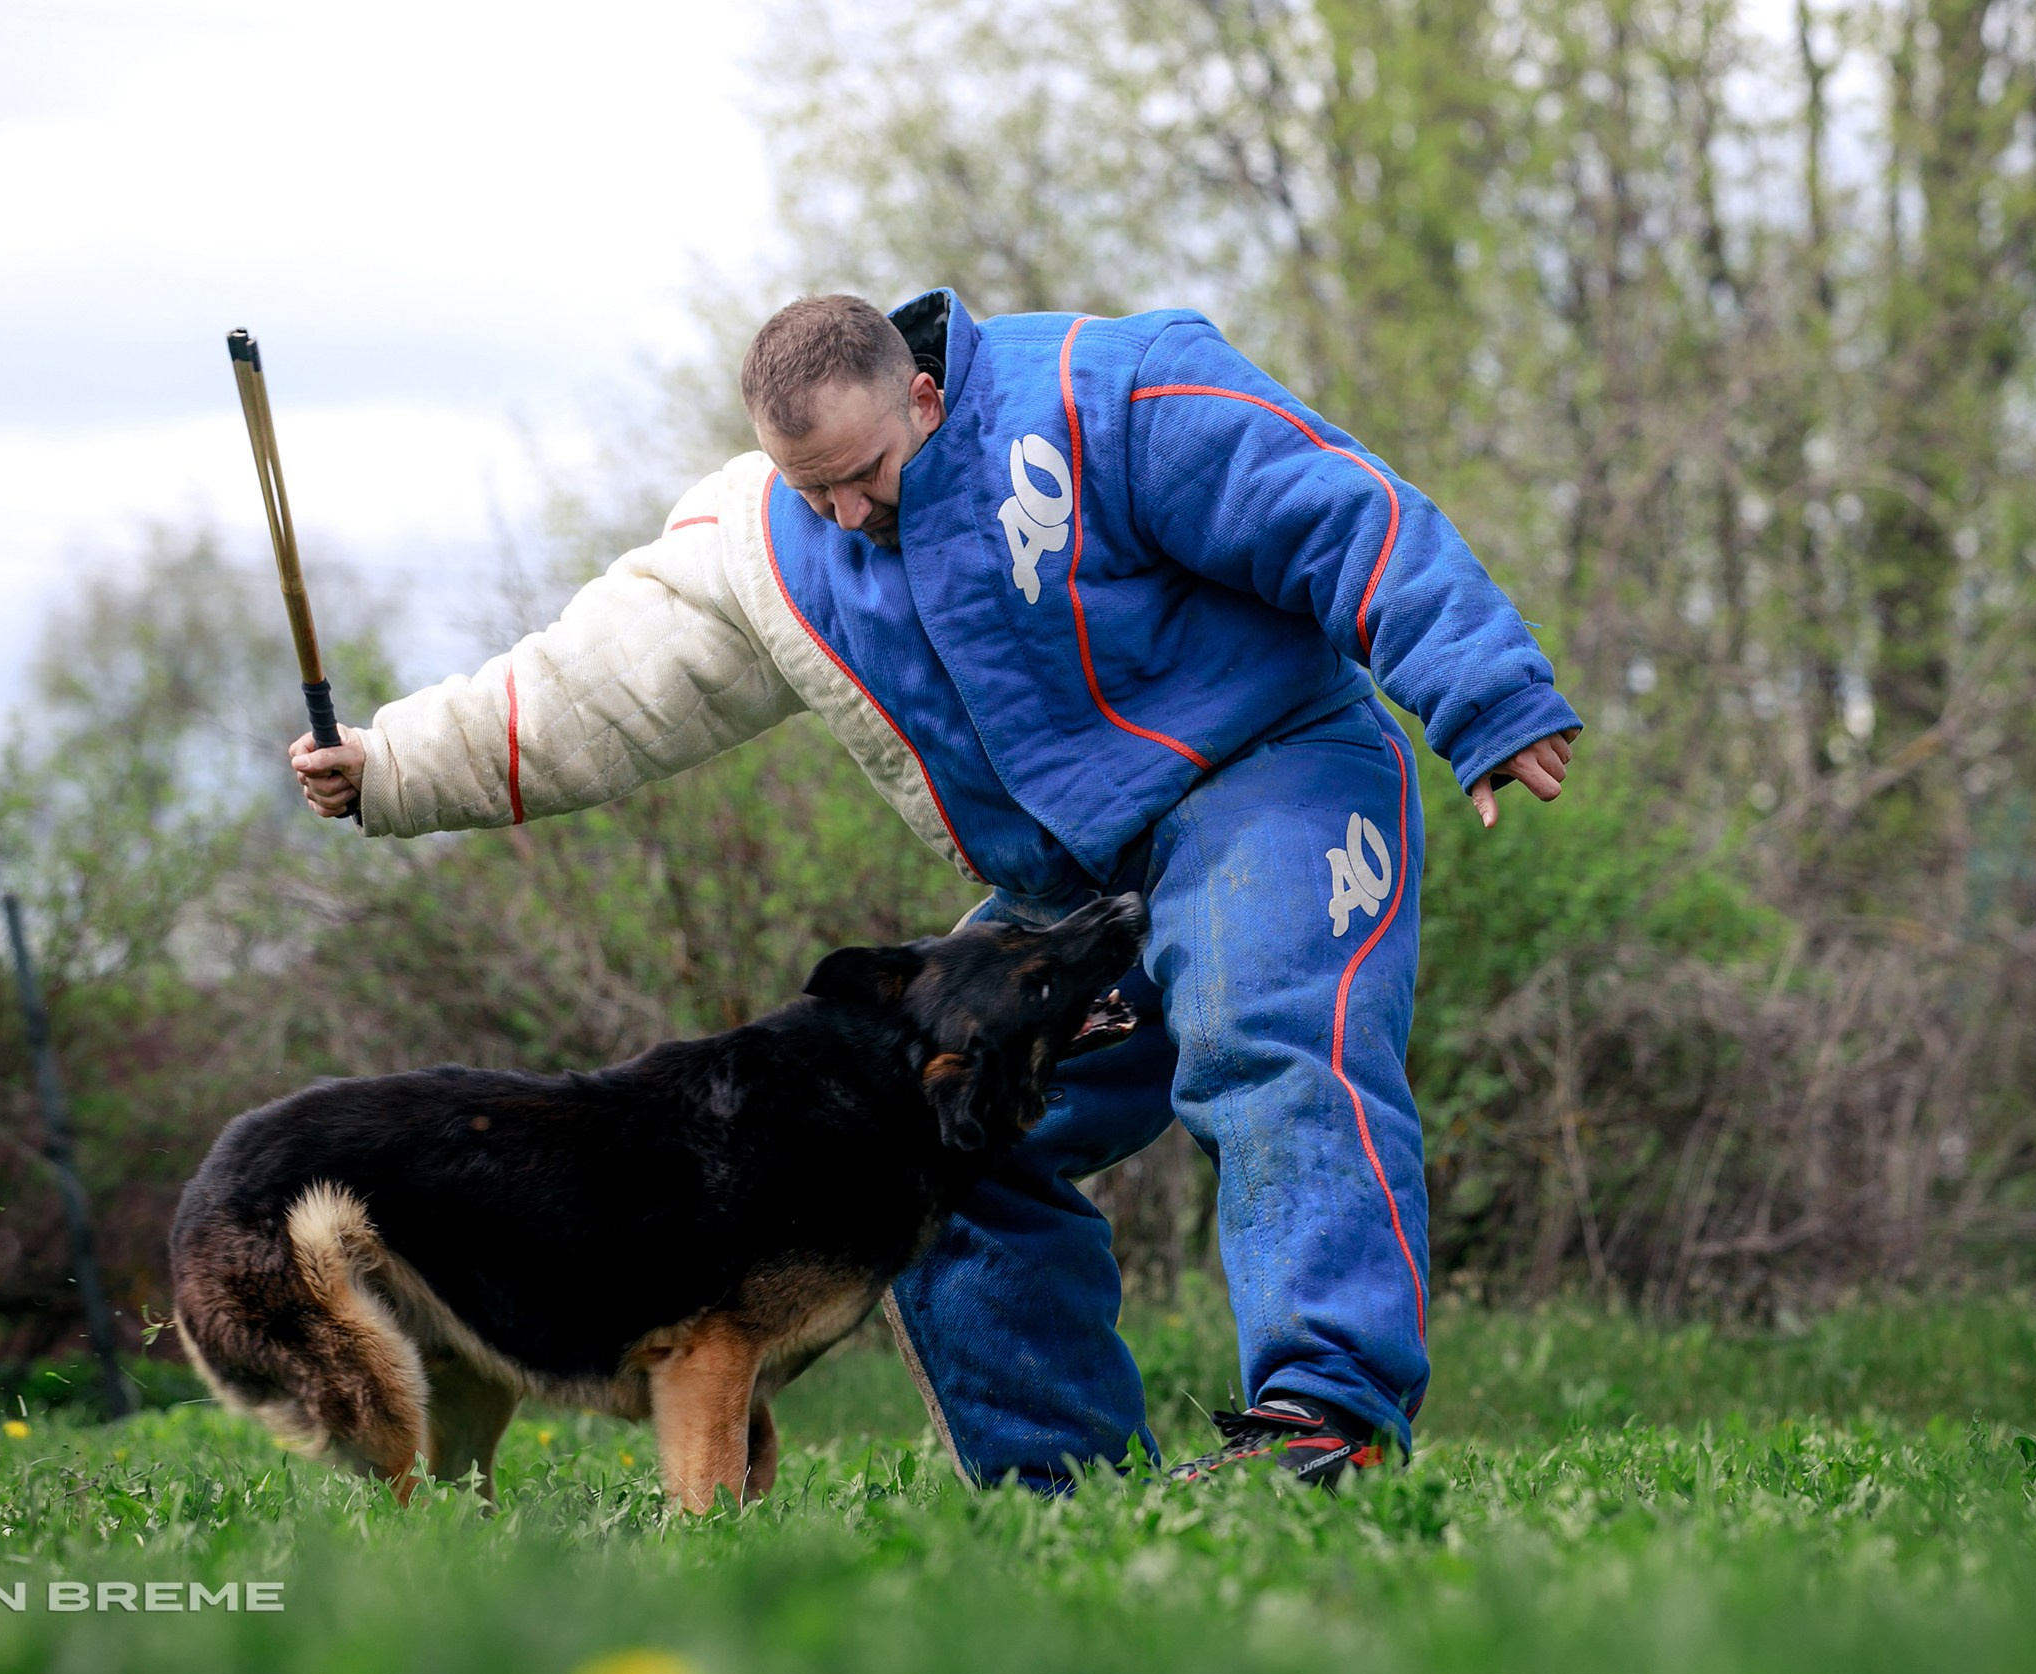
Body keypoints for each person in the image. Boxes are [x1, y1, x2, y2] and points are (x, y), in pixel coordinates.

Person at [289, 290, 1579, 1492]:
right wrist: (389, 766)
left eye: (864, 477)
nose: (846, 514)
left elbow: (1336, 508)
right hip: (1077, 878)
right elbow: (596, 687)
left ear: (920, 390)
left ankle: (1325, 1425)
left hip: (1276, 777)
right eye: (814, 491)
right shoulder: (771, 547)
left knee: (1267, 1036)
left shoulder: (1106, 394)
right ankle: (1060, 1489)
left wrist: (1486, 695)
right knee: (919, 1132)